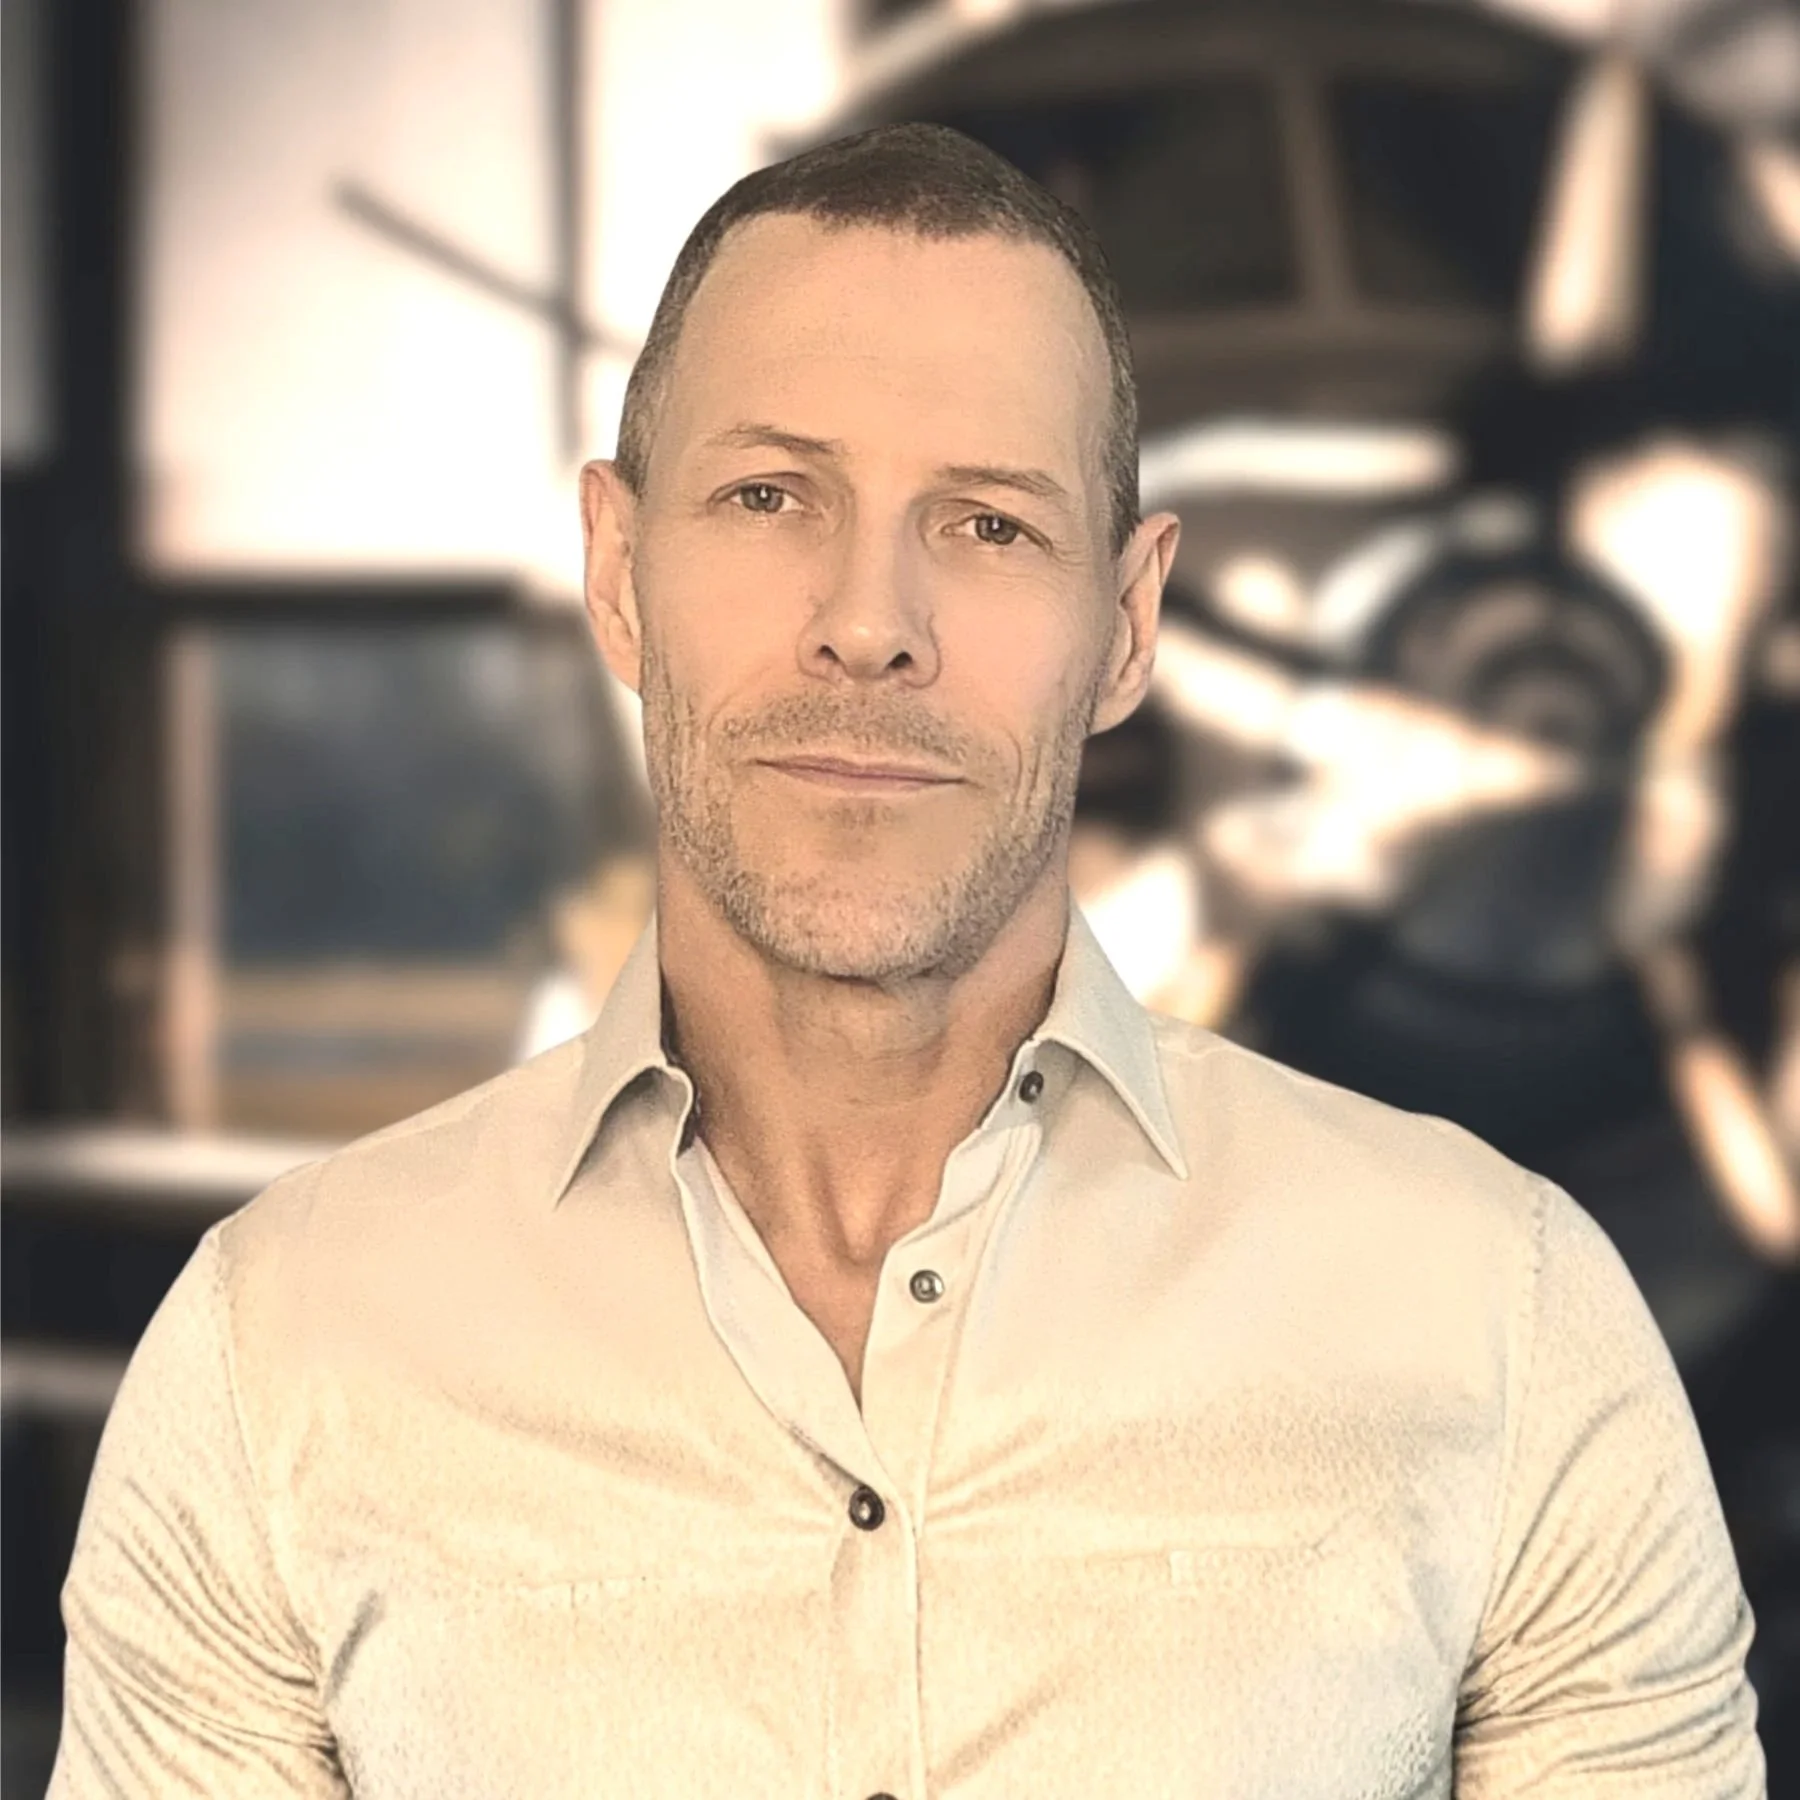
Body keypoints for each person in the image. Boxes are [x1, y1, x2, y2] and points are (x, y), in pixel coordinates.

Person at [50, 123, 1766, 1797]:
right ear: (618, 572)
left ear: (1133, 622)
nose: (870, 621)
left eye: (991, 525)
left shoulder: (1508, 1328)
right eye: (770, 493)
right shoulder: (281, 1359)